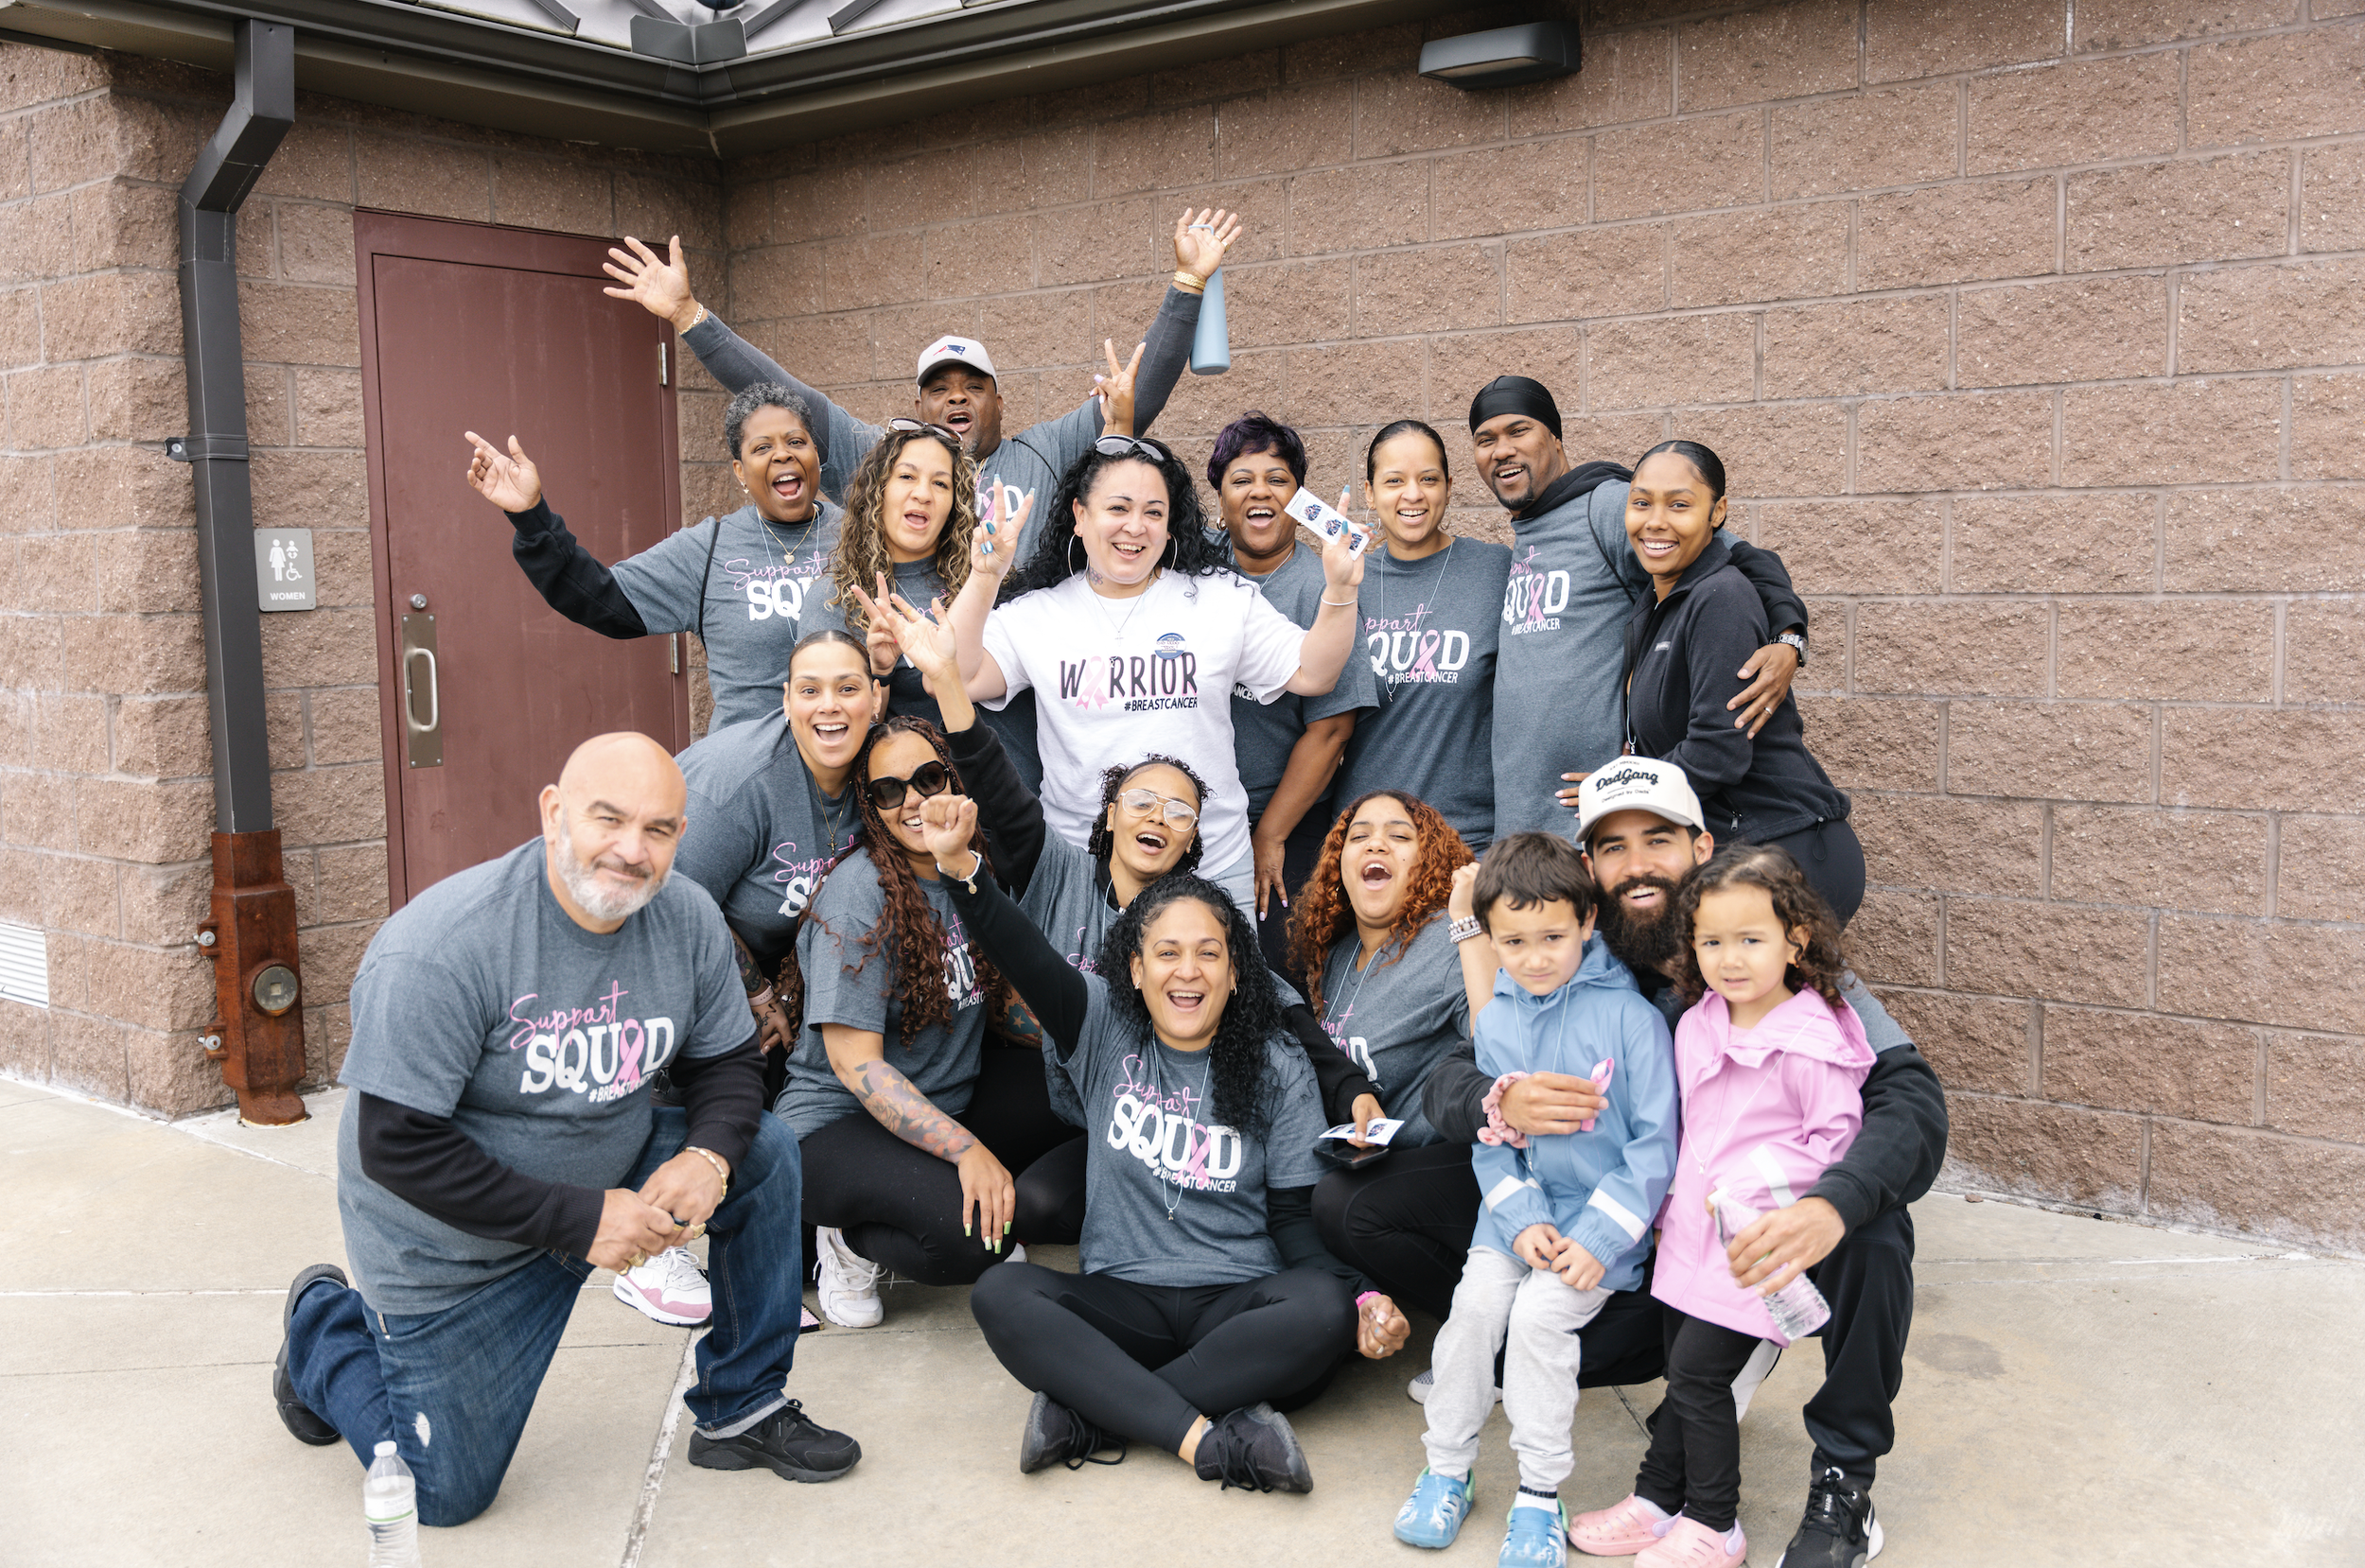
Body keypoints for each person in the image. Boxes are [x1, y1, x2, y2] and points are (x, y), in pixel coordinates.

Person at [270, 734, 858, 1526]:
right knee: (442, 1493)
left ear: (680, 838)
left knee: (766, 1152)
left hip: (602, 1169)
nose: (630, 850)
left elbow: (726, 1065)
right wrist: (582, 1220)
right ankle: (323, 1327)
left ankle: (741, 1407)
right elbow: (394, 1147)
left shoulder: (684, 917)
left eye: (656, 829)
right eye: (607, 819)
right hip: (455, 1249)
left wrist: (709, 1156)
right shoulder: (444, 946)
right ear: (554, 813)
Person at [1438, 758, 1943, 1568]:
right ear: (1589, 875)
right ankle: (1658, 1481)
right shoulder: (1563, 953)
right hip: (1635, 1236)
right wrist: (1495, 1102)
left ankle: (1843, 1480)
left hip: (1750, 1231)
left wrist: (1830, 1206)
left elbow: (1911, 1104)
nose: (1636, 862)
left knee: (1876, 1236)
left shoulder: (1778, 973)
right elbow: (1461, 1067)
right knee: (1380, 1206)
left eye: (1658, 839)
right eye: (1612, 846)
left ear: (1702, 846)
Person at [925, 795, 1412, 1492]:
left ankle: (1098, 1412)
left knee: (1322, 1312)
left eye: (1209, 953)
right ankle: (1210, 1442)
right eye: (1168, 953)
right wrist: (961, 868)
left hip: (1237, 1301)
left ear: (1237, 972)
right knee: (1002, 1290)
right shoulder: (1099, 1026)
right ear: (1135, 969)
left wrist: (1363, 1297)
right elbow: (1023, 953)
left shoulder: (1276, 1063)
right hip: (1124, 1299)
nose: (1188, 971)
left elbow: (1293, 1223)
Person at [861, 584, 1388, 1228]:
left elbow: (1282, 1010)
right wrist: (946, 681)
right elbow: (992, 776)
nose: (1157, 818)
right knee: (1011, 1200)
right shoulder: (1056, 870)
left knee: (1054, 1204)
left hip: (1171, 1122)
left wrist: (1352, 1088)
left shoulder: (1201, 917)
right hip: (1071, 1100)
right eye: (1140, 802)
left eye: (1178, 811)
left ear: (1193, 837)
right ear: (1110, 814)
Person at [1571, 844, 1871, 1568]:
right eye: (1712, 942)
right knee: (1685, 1373)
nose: (1730, 959)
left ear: (1794, 940)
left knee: (1703, 1377)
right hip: (1688, 1238)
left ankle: (1714, 1523)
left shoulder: (1810, 1041)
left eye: (1750, 940)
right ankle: (1656, 1497)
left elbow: (1836, 1139)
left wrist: (1751, 1185)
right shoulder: (1699, 1020)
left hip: (1753, 1243)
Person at [1394, 833, 1676, 1568]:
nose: (1536, 956)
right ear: (1491, 939)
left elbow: (1654, 1148)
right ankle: (1447, 1468)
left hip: (1596, 1233)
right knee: (1475, 1312)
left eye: (1553, 936)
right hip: (1515, 1219)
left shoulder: (1633, 1021)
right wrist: (1519, 1222)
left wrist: (1598, 1239)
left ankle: (1539, 1495)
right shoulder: (1497, 1020)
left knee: (1541, 1322)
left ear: (1588, 920)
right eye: (1513, 942)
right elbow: (1494, 1139)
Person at [944, 435, 1364, 921]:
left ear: (1170, 528)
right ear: (1080, 516)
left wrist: (1339, 590)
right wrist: (985, 576)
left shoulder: (1219, 598)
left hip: (1210, 867)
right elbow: (957, 676)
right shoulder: (1039, 614)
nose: (1135, 528)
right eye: (1118, 508)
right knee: (1086, 1000)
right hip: (1083, 872)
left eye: (1153, 513)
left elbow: (1313, 672)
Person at [780, 714, 1083, 1327]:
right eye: (890, 791)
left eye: (928, 778)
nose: (914, 800)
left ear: (953, 779)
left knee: (1078, 1088)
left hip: (948, 1097)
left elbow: (997, 1002)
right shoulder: (857, 896)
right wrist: (968, 1151)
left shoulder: (970, 868)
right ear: (872, 806)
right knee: (984, 1245)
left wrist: (1088, 1041)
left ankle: (939, 1184)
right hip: (834, 1127)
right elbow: (854, 1064)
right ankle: (846, 1240)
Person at [1465, 375, 1807, 840]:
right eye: (1486, 440)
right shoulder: (1530, 531)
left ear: (1556, 437)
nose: (1501, 450)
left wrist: (1788, 637)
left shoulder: (1604, 505)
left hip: (1601, 820)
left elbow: (1739, 557)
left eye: (1518, 431)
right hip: (1526, 829)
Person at [465, 383, 841, 729]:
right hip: (748, 777)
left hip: (853, 772)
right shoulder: (707, 550)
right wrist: (532, 517)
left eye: (796, 441)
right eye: (762, 448)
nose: (782, 455)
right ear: (740, 473)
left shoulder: (860, 535)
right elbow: (602, 599)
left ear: (814, 455)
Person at [1620, 440, 1863, 925]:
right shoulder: (1658, 603)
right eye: (1642, 502)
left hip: (1784, 850)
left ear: (1718, 512)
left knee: (1790, 1000)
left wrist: (1623, 791)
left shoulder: (1720, 597)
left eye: (1680, 504)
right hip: (1738, 852)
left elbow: (1717, 753)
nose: (1656, 521)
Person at [1204, 410, 1378, 977]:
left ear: (1299, 497)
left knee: (1275, 977)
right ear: (1220, 496)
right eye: (1241, 478)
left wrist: (1269, 835)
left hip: (1282, 818)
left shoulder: (1327, 582)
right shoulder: (1191, 569)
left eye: (1277, 479)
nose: (1260, 491)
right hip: (1195, 815)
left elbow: (1331, 731)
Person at [1334, 419, 1514, 853]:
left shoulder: (1496, 570)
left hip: (1465, 838)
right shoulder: (1347, 579)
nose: (1412, 495)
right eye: (1394, 481)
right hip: (1365, 840)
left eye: (1428, 479)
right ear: (1371, 492)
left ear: (1449, 487)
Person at [1288, 790, 1475, 1152]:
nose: (1375, 844)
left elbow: (1503, 1049)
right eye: (1359, 836)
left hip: (1430, 1165)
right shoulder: (1339, 953)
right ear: (1338, 864)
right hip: (1356, 1158)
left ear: (1429, 860)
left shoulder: (1450, 943)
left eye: (1399, 836)